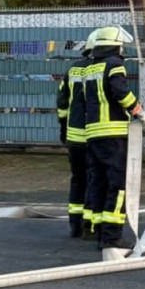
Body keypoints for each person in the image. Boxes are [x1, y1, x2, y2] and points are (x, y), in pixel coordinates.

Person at [83, 25, 145, 251]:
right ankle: (112, 236)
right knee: (118, 185)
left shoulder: (90, 68)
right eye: (121, 46)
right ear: (115, 46)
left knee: (98, 183)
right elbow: (120, 92)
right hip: (113, 134)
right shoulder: (114, 65)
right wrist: (139, 111)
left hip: (93, 134)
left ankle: (101, 232)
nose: (123, 51)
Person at [56, 28, 100, 239]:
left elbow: (62, 104)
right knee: (94, 179)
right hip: (94, 135)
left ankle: (75, 223)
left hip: (74, 136)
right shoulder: (102, 69)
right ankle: (89, 225)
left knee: (78, 179)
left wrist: (64, 128)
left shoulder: (73, 70)